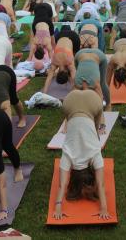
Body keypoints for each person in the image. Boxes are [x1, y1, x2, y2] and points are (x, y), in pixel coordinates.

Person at [52, 90, 110, 220]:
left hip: (71, 100)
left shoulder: (95, 154)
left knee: (86, 121)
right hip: (74, 101)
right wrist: (103, 208)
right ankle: (79, 122)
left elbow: (63, 184)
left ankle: (74, 121)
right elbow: (63, 184)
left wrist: (58, 207)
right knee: (93, 121)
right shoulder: (68, 155)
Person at [42, 29, 80, 93]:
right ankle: (74, 89)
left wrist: (44, 92)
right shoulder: (55, 62)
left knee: (75, 56)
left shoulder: (69, 62)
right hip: (60, 35)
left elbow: (49, 78)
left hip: (72, 37)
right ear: (58, 73)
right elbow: (74, 78)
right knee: (73, 68)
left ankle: (75, 88)